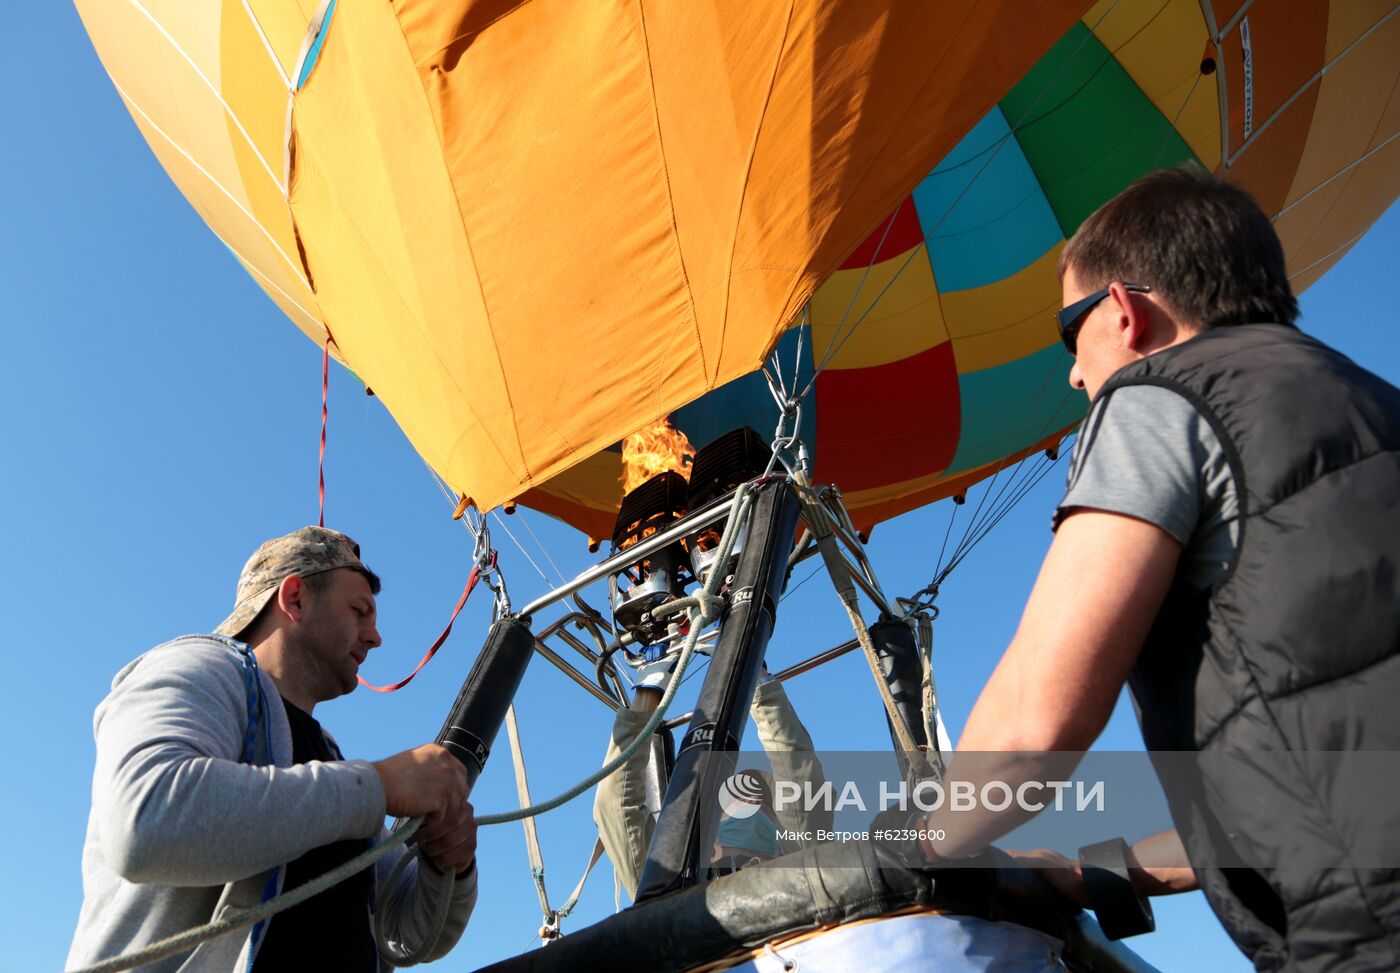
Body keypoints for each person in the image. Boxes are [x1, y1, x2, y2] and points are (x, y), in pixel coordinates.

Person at [918, 167, 1400, 970]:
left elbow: (1034, 726)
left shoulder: (1156, 396)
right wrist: (1098, 869)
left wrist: (913, 847)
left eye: (1068, 337)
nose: (1074, 374)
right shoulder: (1374, 403)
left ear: (1122, 311)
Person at [67, 526, 480, 972]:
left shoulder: (330, 760)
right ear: (295, 599)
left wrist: (447, 869)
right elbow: (145, 822)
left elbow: (405, 934)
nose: (374, 637)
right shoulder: (197, 667)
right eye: (360, 611)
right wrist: (378, 785)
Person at [592, 652, 832, 900]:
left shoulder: (801, 865)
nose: (742, 807)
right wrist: (649, 689)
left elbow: (798, 774)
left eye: (752, 803)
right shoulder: (672, 886)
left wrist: (753, 673)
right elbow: (613, 807)